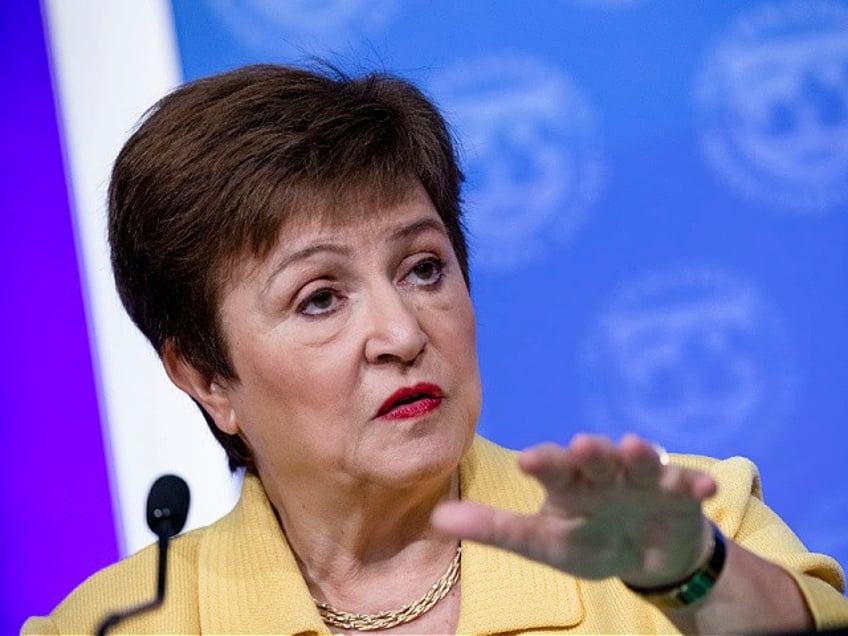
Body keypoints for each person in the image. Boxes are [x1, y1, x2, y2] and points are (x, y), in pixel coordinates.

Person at [23, 63, 848, 635]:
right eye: (320, 298)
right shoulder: (114, 624)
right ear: (206, 376)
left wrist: (692, 576)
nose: (403, 333)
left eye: (423, 268)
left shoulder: (692, 525)